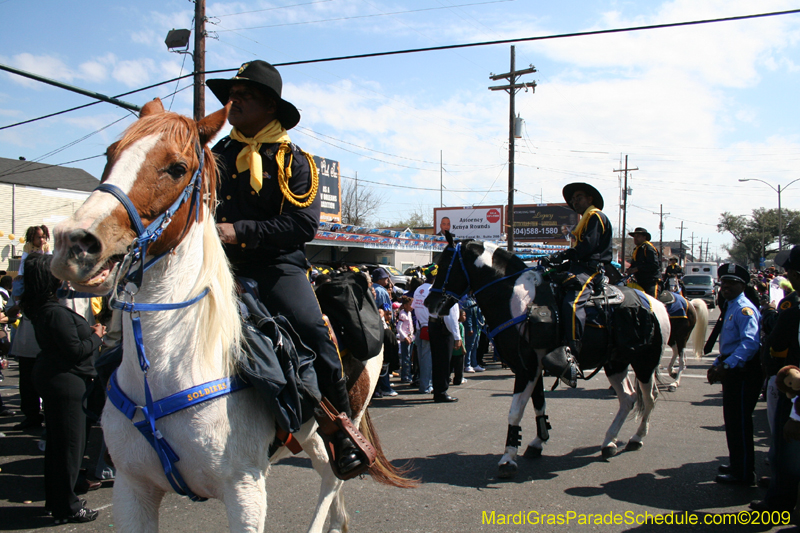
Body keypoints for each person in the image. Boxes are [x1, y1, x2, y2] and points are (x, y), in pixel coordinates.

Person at [206, 60, 365, 477]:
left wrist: (238, 231)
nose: (233, 102)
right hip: (220, 265)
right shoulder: (216, 155)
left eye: (245, 96)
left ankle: (342, 433)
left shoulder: (296, 161)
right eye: (231, 96)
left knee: (315, 333)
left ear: (271, 108)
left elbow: (302, 225)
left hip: (277, 268)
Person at [25, 254, 105, 523]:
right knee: (69, 447)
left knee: (60, 447)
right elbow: (75, 350)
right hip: (66, 382)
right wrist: (96, 336)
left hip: (60, 379)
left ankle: (58, 500)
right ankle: (66, 507)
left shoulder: (45, 308)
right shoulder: (54, 313)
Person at [544, 182, 613, 388]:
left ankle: (573, 355)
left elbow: (588, 247)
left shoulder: (595, 217)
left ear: (590, 199)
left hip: (589, 270)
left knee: (571, 303)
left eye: (579, 197)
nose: (575, 202)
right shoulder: (585, 220)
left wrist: (562, 254)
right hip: (578, 266)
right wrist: (557, 261)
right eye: (573, 199)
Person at [751, 246, 800, 511]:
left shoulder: (793, 310)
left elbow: (775, 340)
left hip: (792, 392)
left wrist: (770, 311)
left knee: (786, 453)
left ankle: (778, 506)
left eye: (791, 270)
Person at [707, 263, 762, 486]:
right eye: (724, 283)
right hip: (733, 370)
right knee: (732, 421)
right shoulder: (730, 305)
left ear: (742, 285)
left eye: (731, 283)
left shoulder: (743, 309)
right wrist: (718, 363)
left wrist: (727, 366)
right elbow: (730, 344)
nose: (725, 287)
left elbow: (750, 344)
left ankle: (744, 474)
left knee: (739, 423)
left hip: (743, 373)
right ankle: (737, 464)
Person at [627, 228, 660, 297]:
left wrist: (637, 269)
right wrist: (629, 270)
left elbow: (654, 265)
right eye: (634, 237)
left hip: (651, 282)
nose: (635, 238)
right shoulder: (637, 250)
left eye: (638, 236)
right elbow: (634, 264)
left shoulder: (648, 248)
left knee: (651, 302)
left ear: (644, 237)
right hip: (639, 281)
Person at [396, 296, 415, 384]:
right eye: (410, 304)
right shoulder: (402, 314)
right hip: (405, 339)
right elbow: (399, 328)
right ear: (405, 305)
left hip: (410, 338)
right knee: (405, 358)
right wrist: (405, 337)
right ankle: (405, 376)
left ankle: (408, 375)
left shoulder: (409, 314)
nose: (412, 306)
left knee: (409, 357)